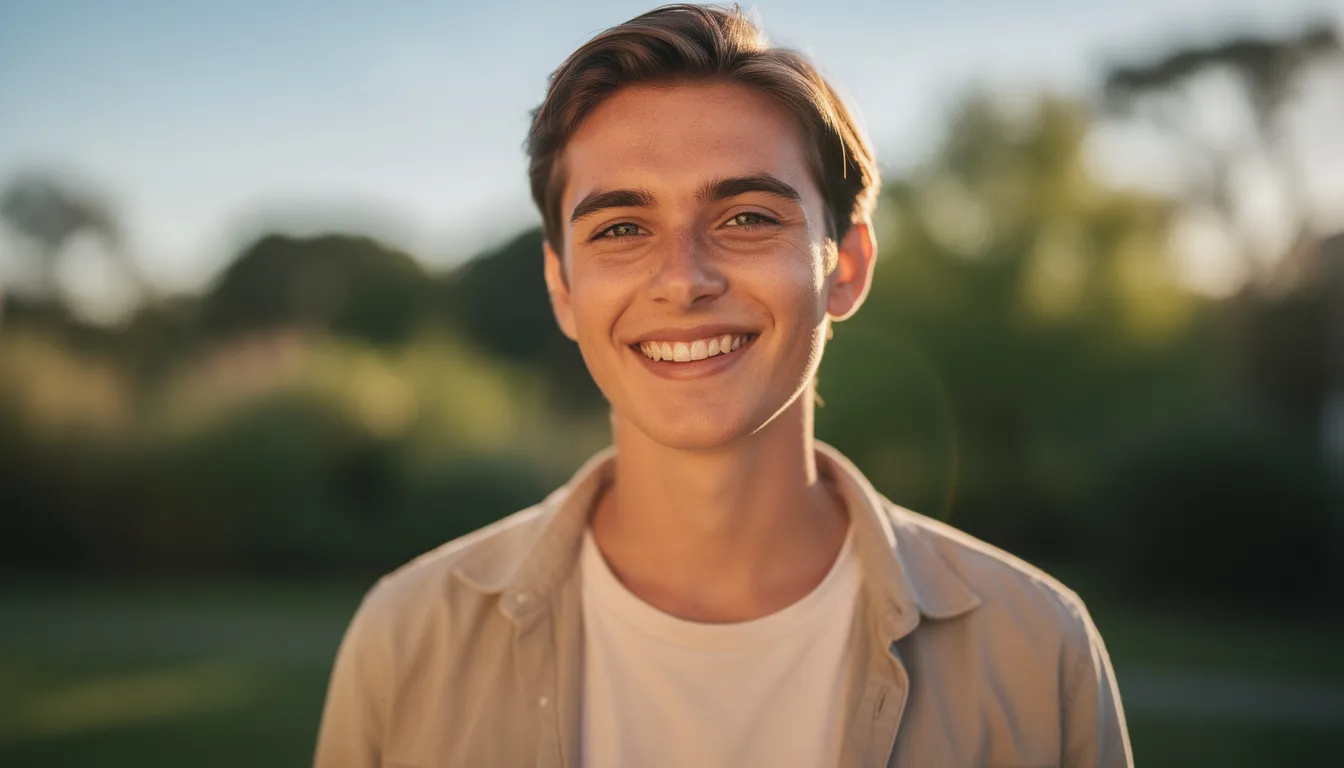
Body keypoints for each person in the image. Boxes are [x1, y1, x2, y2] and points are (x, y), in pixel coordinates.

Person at [313, 4, 1132, 767]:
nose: (684, 280)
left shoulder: (1038, 652)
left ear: (845, 267)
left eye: (746, 217)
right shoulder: (405, 639)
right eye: (623, 229)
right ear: (563, 288)